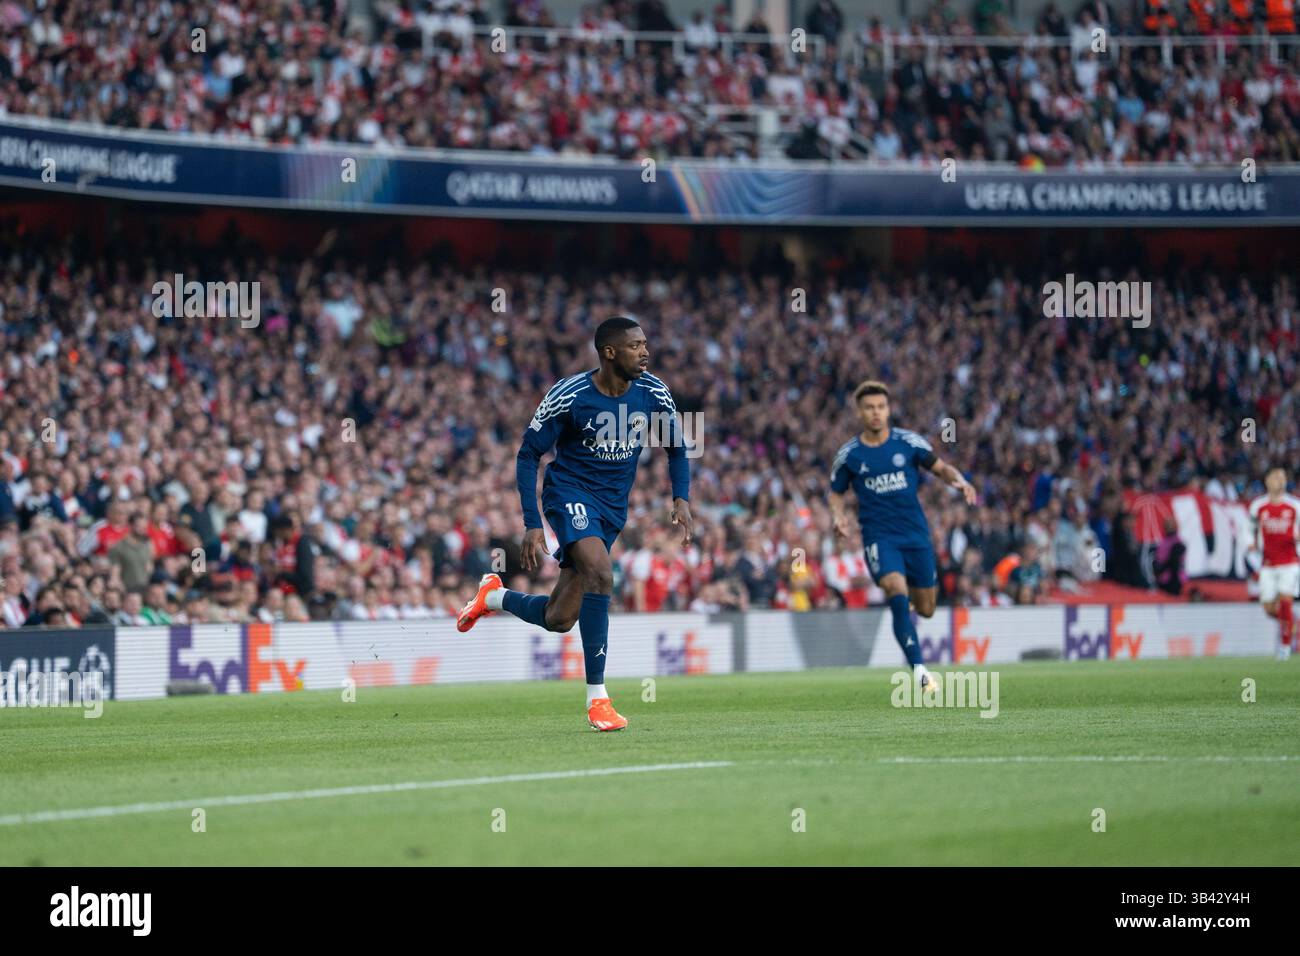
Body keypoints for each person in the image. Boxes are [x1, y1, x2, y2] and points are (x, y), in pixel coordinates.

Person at [456, 317, 693, 730]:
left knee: (560, 618)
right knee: (601, 574)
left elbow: (677, 446)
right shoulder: (570, 395)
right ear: (609, 352)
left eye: (645, 344)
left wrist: (681, 497)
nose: (645, 352)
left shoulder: (654, 392)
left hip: (612, 509)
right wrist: (533, 523)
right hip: (569, 494)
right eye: (636, 345)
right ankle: (597, 699)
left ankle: (492, 596)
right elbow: (528, 454)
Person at [828, 380, 977, 690]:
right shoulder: (849, 455)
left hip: (916, 536)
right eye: (869, 408)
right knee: (895, 589)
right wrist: (838, 517)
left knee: (927, 608)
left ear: (888, 409)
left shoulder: (909, 443)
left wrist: (960, 482)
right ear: (860, 412)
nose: (876, 413)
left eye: (881, 407)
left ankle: (906, 606)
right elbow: (836, 493)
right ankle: (921, 672)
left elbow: (941, 468)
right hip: (879, 538)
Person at [1247, 466, 1300, 661]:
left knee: (1285, 601)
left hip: (1290, 562)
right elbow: (1249, 528)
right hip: (1268, 564)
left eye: (1283, 477)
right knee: (1269, 608)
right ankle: (1291, 623)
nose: (1281, 481)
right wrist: (1250, 543)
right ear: (1267, 480)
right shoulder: (1258, 506)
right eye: (1276, 477)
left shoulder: (1295, 506)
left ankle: (1285, 648)